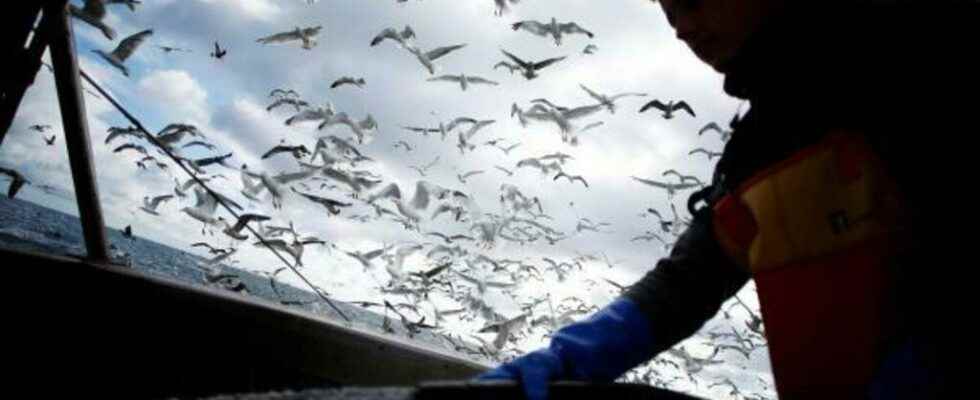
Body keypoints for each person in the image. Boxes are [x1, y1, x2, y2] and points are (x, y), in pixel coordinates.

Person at [478, 0, 966, 399]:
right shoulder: (761, 151)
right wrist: (569, 357)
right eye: (669, 15)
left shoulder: (915, 70)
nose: (683, 29)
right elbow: (686, 284)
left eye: (692, 2)